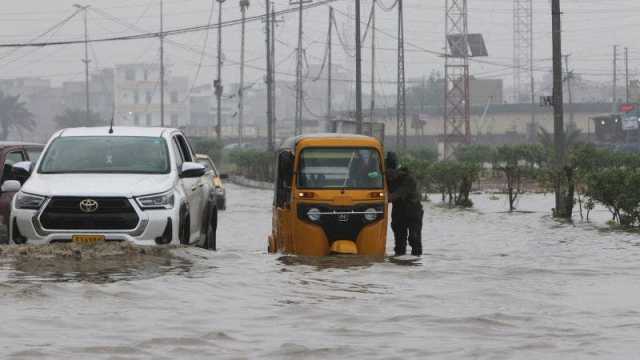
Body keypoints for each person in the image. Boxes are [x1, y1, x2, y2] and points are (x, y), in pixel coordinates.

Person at [386, 153, 424, 256]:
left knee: (414, 239)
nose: (389, 177)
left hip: (413, 212)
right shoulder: (386, 177)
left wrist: (379, 196)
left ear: (396, 171)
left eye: (390, 174)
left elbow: (394, 196)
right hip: (398, 212)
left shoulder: (408, 179)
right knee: (399, 244)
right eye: (387, 174)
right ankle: (399, 265)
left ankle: (415, 262)